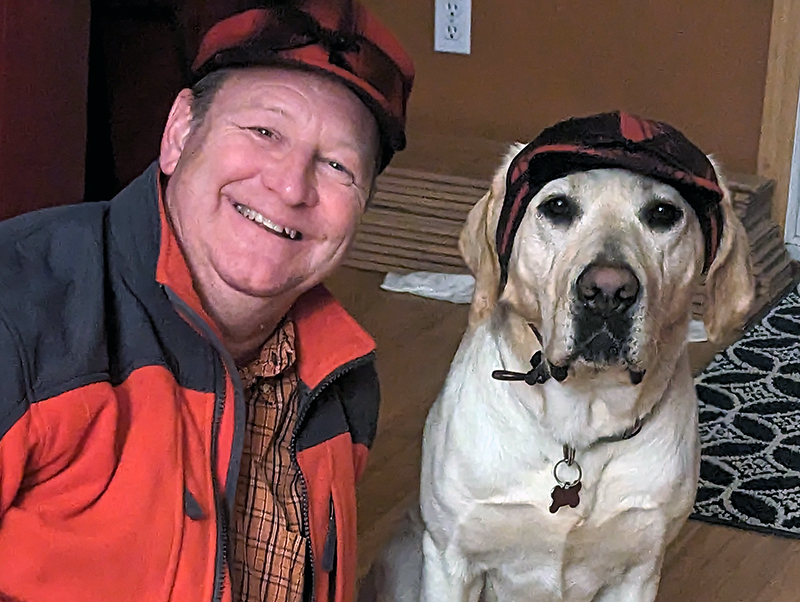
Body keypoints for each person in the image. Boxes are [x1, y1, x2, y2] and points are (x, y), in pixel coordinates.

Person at [0, 2, 414, 601]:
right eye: (264, 132)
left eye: (336, 165)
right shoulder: (21, 313)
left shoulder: (343, 381)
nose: (292, 186)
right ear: (178, 133)